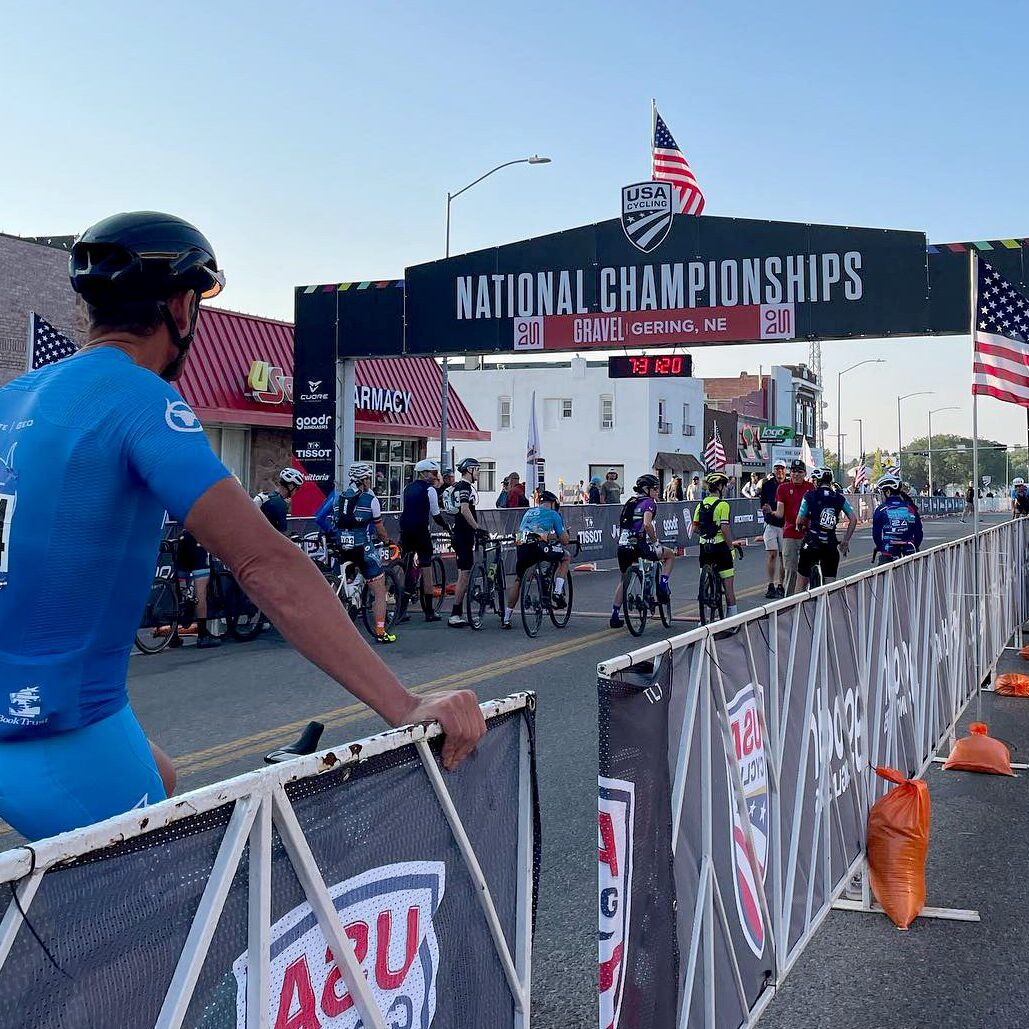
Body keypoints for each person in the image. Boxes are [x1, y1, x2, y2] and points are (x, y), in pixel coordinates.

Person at [0, 211, 484, 843]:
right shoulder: (139, 397)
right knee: (178, 896)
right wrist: (405, 705)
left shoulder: (14, 397)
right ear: (181, 306)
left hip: (49, 713)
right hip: (59, 731)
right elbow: (265, 564)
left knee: (162, 777)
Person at [333, 463, 398, 644]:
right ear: (363, 480)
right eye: (369, 478)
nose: (370, 482)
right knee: (379, 590)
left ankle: (347, 599)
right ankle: (380, 631)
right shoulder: (371, 499)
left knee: (343, 581)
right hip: (362, 547)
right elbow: (379, 529)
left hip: (341, 545)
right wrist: (387, 542)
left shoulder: (338, 498)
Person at [610, 474, 675, 627]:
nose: (657, 491)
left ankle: (614, 615)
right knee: (670, 555)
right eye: (655, 488)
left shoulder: (630, 501)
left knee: (623, 580)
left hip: (623, 545)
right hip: (639, 545)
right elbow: (646, 524)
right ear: (646, 489)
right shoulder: (649, 502)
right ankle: (663, 585)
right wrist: (655, 542)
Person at [502, 490, 571, 628]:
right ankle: (557, 592)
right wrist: (565, 535)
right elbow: (564, 540)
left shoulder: (529, 512)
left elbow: (529, 532)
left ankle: (506, 617)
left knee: (519, 579)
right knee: (565, 556)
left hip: (521, 544)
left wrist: (548, 536)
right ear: (553, 504)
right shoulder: (554, 514)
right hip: (538, 546)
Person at [399, 458, 449, 622]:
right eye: (433, 473)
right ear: (424, 473)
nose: (435, 476)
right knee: (426, 568)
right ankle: (429, 611)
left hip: (405, 530)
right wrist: (447, 527)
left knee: (407, 569)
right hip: (421, 531)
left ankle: (401, 610)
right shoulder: (430, 490)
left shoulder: (407, 488)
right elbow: (436, 515)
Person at [692, 472, 744, 619]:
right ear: (720, 486)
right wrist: (731, 547)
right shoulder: (723, 505)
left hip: (704, 547)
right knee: (728, 587)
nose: (726, 489)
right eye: (725, 486)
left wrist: (706, 534)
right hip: (720, 547)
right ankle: (732, 619)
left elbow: (694, 528)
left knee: (705, 583)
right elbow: (725, 528)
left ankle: (703, 618)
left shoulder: (701, 504)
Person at [795, 468, 857, 589]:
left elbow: (799, 520)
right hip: (830, 545)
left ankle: (798, 600)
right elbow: (853, 519)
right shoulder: (839, 498)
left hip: (811, 543)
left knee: (801, 582)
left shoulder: (809, 495)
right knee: (830, 586)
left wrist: (800, 527)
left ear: (818, 480)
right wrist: (845, 541)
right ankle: (830, 600)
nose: (813, 482)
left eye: (814, 480)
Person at [447, 457, 485, 627]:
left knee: (464, 574)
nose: (478, 473)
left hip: (462, 534)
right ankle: (455, 614)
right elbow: (464, 509)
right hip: (463, 534)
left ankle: (459, 612)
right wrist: (477, 527)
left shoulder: (460, 486)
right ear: (470, 470)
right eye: (477, 469)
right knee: (464, 575)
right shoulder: (464, 487)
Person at [171, 529, 220, 649]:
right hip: (198, 540)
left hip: (183, 539)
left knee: (182, 590)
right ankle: (202, 635)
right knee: (201, 591)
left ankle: (174, 636)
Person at [775, 460, 810, 595]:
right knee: (790, 570)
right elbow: (780, 512)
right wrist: (770, 512)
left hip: (807, 534)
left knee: (808, 571)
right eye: (793, 471)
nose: (796, 474)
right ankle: (789, 601)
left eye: (799, 471)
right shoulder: (783, 488)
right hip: (790, 534)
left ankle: (806, 599)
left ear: (804, 473)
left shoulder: (810, 487)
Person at [872, 475, 924, 561]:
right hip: (910, 549)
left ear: (888, 492)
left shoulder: (881, 509)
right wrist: (915, 546)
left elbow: (876, 534)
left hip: (888, 549)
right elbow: (918, 532)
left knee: (885, 566)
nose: (881, 495)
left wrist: (880, 547)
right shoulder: (910, 508)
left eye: (882, 492)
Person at [760, 460, 788, 599]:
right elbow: (763, 504)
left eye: (782, 469)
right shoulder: (767, 485)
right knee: (772, 554)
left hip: (785, 525)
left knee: (783, 556)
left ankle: (781, 585)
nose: (779, 471)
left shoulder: (789, 484)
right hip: (771, 524)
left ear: (785, 470)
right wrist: (767, 510)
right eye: (777, 469)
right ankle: (771, 584)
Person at [254, 466, 305, 533]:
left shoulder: (265, 497)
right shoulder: (280, 503)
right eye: (297, 489)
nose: (296, 492)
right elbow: (282, 531)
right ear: (291, 486)